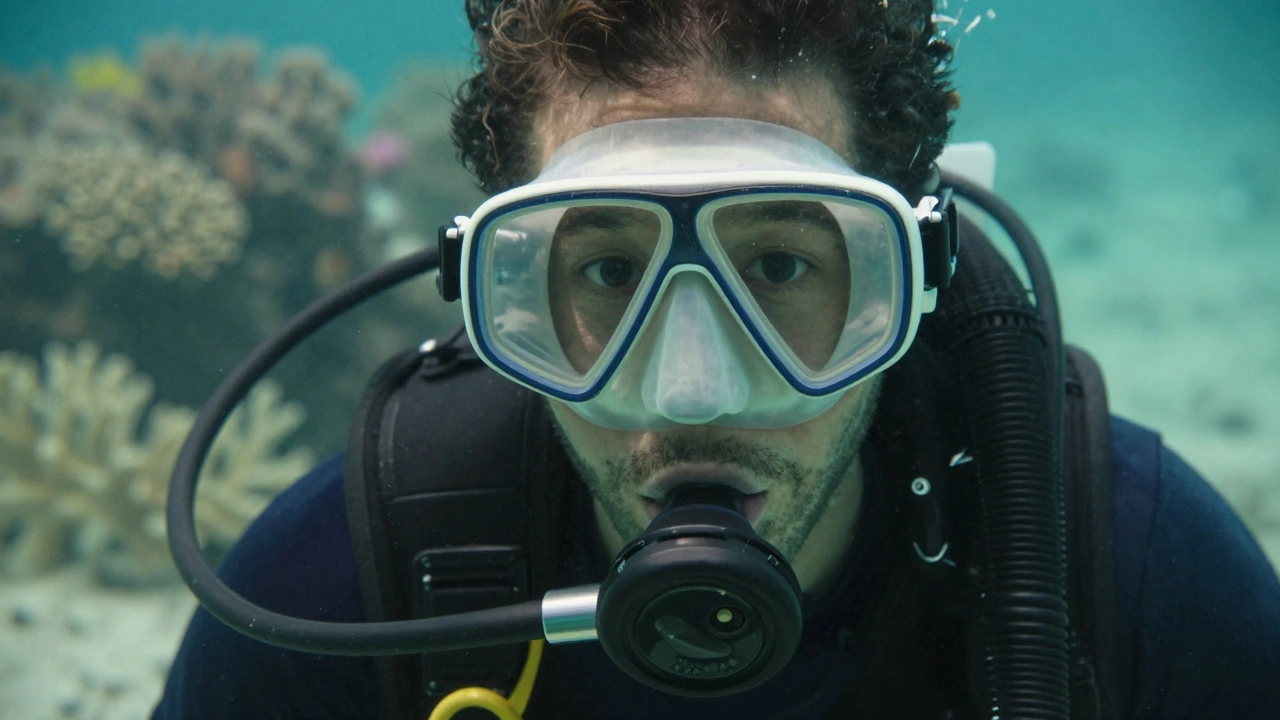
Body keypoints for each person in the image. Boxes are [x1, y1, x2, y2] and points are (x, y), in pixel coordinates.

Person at [152, 1, 1280, 718]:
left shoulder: (1135, 571)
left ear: (910, 279)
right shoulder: (336, 597)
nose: (689, 392)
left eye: (781, 268)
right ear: (509, 293)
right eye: (604, 273)